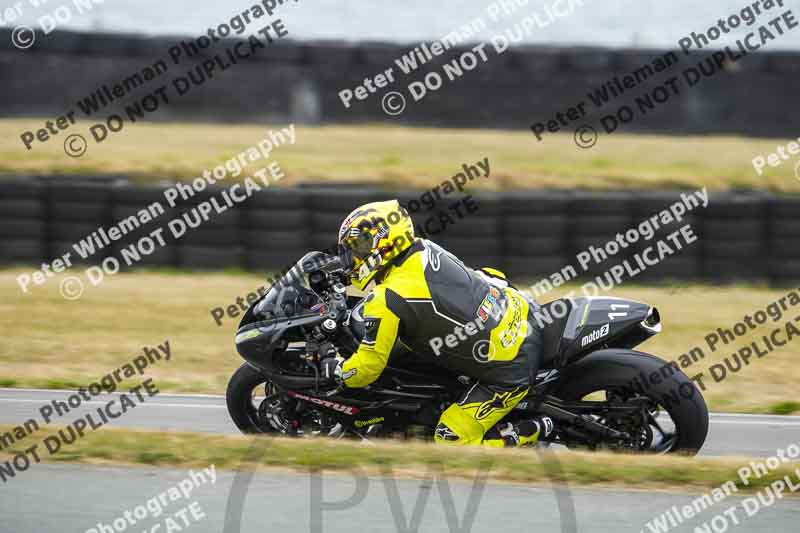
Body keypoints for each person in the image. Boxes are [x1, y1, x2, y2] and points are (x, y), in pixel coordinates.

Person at [321, 199, 554, 447]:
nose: (354, 255)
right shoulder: (423, 249)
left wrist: (336, 370)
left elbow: (366, 370)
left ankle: (533, 429)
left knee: (450, 440)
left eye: (360, 245)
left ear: (385, 243)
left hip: (511, 366)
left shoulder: (387, 299)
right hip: (519, 309)